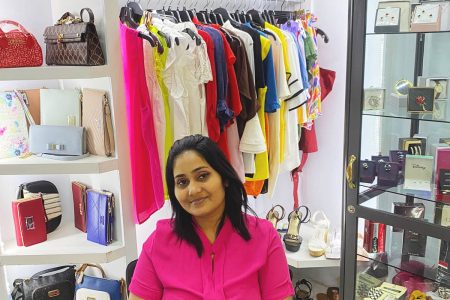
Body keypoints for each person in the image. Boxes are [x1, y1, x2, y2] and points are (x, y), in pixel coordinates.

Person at [129, 135, 294, 299]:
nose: (192, 190)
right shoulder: (158, 242)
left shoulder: (264, 237)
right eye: (182, 182)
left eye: (202, 176)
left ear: (225, 179)